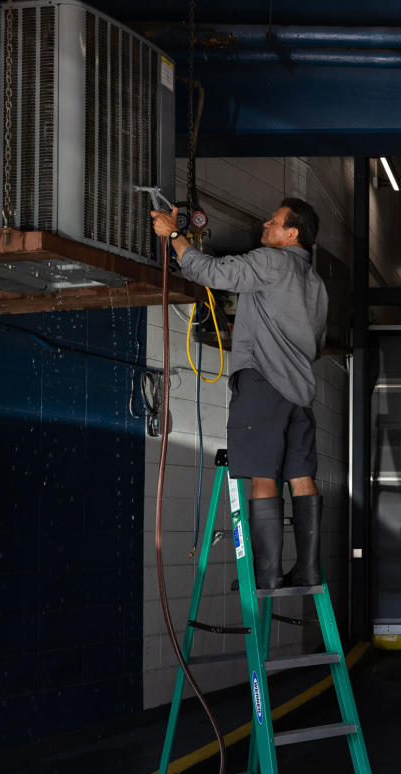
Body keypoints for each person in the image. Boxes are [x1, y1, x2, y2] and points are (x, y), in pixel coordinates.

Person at [151, 199, 328, 589]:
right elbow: (316, 342)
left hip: (263, 384)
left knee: (262, 474)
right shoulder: (316, 284)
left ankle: (265, 573)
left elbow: (213, 272)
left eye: (274, 220)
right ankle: (308, 569)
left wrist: (174, 236)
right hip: (300, 392)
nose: (266, 223)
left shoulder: (272, 261)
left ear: (291, 234)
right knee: (300, 476)